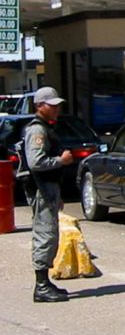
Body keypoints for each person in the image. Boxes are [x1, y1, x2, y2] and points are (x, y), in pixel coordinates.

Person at [24, 87, 73, 303]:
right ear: (39, 106)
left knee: (50, 234)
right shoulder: (37, 131)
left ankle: (45, 282)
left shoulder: (45, 128)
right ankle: (41, 285)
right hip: (42, 189)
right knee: (45, 235)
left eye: (58, 105)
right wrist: (60, 161)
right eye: (52, 105)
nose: (56, 109)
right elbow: (36, 162)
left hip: (49, 189)